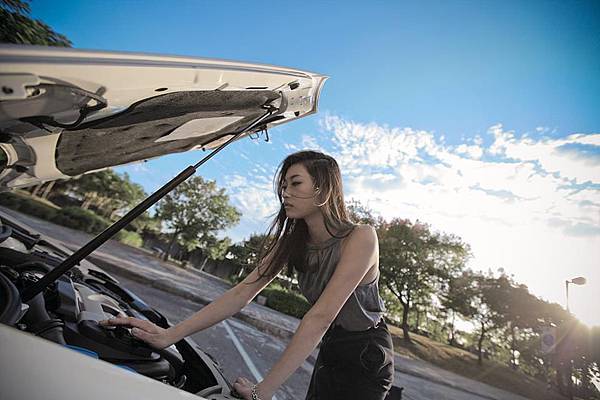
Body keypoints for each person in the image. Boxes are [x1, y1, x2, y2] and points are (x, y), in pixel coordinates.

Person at [100, 150, 394, 400]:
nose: (285, 193)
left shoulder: (361, 237)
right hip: (331, 347)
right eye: (283, 186)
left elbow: (320, 317)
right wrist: (168, 336)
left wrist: (261, 392)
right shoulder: (291, 244)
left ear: (323, 188)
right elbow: (241, 293)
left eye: (295, 183)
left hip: (366, 351)